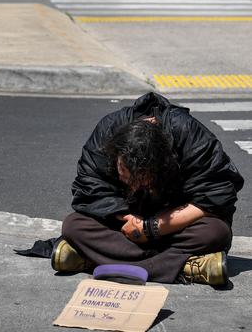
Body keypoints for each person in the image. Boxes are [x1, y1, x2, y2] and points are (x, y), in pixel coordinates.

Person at [52, 92, 244, 285]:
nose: (134, 186)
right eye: (126, 176)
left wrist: (152, 228)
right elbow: (89, 186)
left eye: (142, 180)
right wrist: (131, 220)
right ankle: (186, 266)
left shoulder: (187, 132)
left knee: (216, 232)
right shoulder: (108, 130)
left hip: (172, 225)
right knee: (74, 225)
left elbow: (218, 191)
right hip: (126, 225)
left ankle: (90, 260)